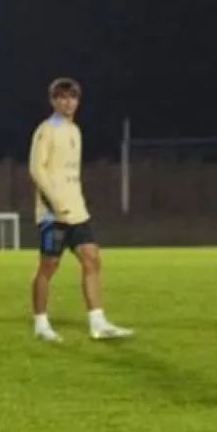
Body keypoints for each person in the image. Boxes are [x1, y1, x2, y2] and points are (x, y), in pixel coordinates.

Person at [28, 77, 133, 342]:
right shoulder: (46, 129)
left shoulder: (74, 130)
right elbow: (37, 169)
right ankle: (41, 323)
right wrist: (54, 201)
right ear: (53, 101)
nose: (68, 102)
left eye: (72, 98)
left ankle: (98, 323)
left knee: (92, 259)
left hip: (76, 212)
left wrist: (76, 203)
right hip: (54, 213)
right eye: (62, 98)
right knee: (48, 266)